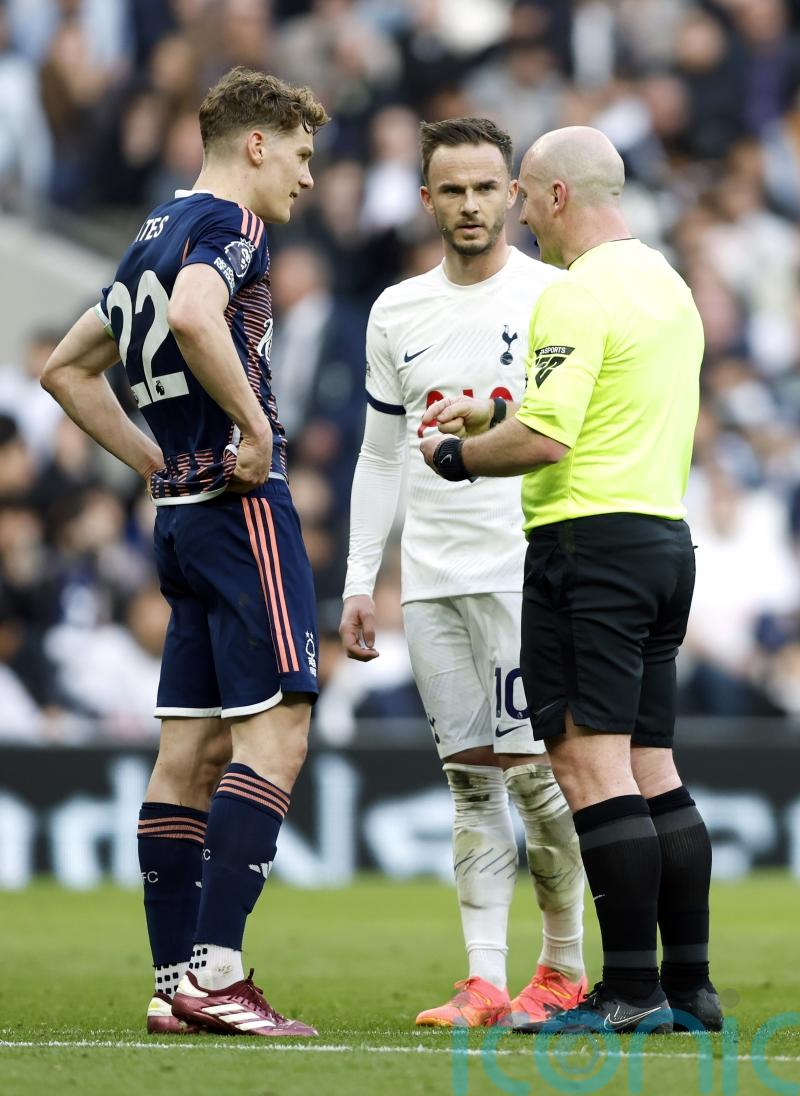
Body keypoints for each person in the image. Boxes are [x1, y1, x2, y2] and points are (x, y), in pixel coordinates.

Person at [40, 67, 329, 1038]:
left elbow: (68, 368)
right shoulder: (229, 228)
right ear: (257, 142)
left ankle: (173, 982)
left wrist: (152, 461)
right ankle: (216, 970)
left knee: (188, 752)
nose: (306, 179)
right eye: (298, 155)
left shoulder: (150, 234)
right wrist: (250, 427)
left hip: (180, 515)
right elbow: (202, 319)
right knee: (277, 732)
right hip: (242, 509)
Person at [421, 126, 722, 1035]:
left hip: (586, 546)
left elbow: (548, 444)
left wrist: (457, 454)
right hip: (662, 541)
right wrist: (499, 406)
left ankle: (629, 990)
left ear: (551, 197)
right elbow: (599, 403)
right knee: (652, 768)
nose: (515, 212)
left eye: (519, 195)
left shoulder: (573, 295)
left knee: (588, 767)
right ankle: (689, 987)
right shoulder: (666, 284)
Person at [340, 117, 587, 1029]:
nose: (473, 204)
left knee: (538, 778)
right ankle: (484, 979)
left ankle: (564, 967)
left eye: (488, 187)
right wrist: (362, 581)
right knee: (471, 780)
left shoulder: (555, 297)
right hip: (434, 579)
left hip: (526, 568)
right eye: (454, 189)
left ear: (515, 197)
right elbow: (377, 458)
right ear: (426, 201)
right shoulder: (395, 311)